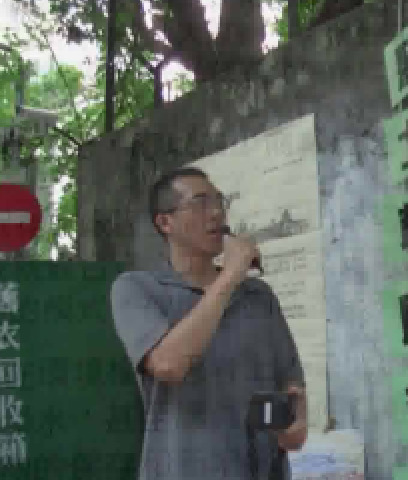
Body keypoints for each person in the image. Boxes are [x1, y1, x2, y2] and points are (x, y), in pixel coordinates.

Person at [110, 167, 307, 480]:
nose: (216, 212)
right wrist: (229, 276)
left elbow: (289, 379)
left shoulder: (258, 296)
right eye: (200, 203)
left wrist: (295, 420)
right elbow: (168, 364)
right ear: (165, 223)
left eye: (219, 201)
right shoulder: (137, 289)